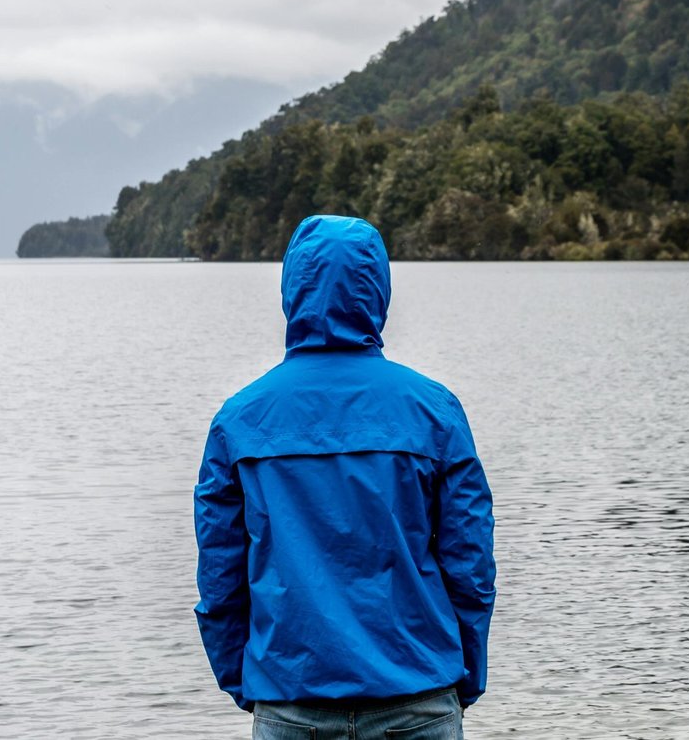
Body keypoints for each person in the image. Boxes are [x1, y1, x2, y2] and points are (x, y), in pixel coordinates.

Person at [193, 214, 496, 739]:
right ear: (378, 289)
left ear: (292, 289)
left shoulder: (241, 419)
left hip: (291, 703)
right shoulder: (434, 411)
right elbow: (470, 566)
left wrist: (246, 683)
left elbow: (221, 580)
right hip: (418, 697)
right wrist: (462, 676)